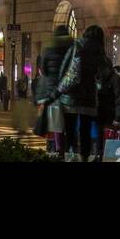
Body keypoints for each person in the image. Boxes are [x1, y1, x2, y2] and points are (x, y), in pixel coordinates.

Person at [57, 24, 113, 162]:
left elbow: (71, 73)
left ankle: (70, 155)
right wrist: (96, 86)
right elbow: (105, 74)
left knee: (70, 130)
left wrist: (59, 89)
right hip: (89, 99)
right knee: (85, 131)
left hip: (71, 97)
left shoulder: (77, 45)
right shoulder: (100, 52)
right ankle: (84, 157)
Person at [35, 23, 74, 156]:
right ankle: (71, 150)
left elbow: (44, 71)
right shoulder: (73, 47)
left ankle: (60, 150)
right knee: (70, 124)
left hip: (54, 92)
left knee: (58, 126)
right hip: (70, 91)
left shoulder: (48, 49)